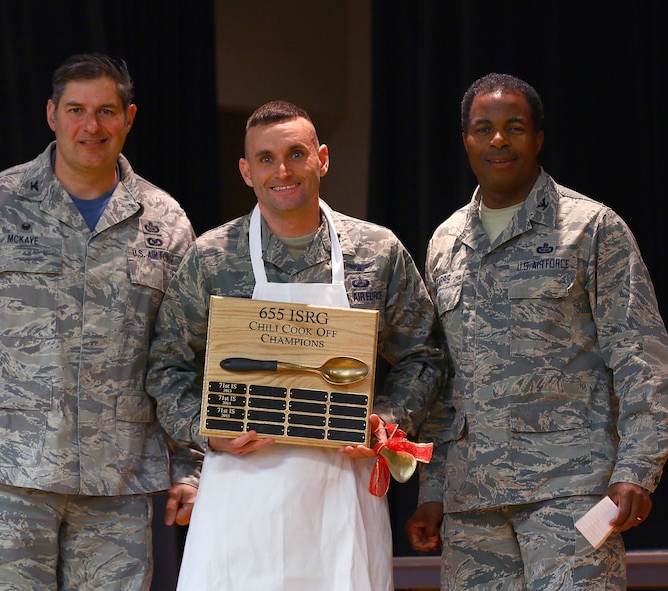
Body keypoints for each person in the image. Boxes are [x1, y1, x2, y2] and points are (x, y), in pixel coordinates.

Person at [0, 53, 199, 591]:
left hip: (117, 486)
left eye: (107, 111)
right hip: (5, 479)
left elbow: (186, 355)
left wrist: (193, 468)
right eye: (76, 109)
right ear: (51, 115)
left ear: (129, 117)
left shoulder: (165, 222)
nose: (91, 125)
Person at [144, 100, 446, 590]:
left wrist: (387, 421)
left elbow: (425, 356)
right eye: (265, 159)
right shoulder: (213, 258)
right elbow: (166, 366)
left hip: (343, 488)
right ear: (245, 171)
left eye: (296, 154)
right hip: (240, 489)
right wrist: (206, 430)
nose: (281, 170)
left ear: (322, 159)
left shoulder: (377, 251)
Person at [405, 73, 668, 589]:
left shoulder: (592, 227)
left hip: (571, 492)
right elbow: (445, 383)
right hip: (474, 505)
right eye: (482, 128)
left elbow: (641, 357)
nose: (497, 140)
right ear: (466, 140)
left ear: (537, 138)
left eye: (514, 127)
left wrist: (637, 469)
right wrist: (433, 491)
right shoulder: (445, 243)